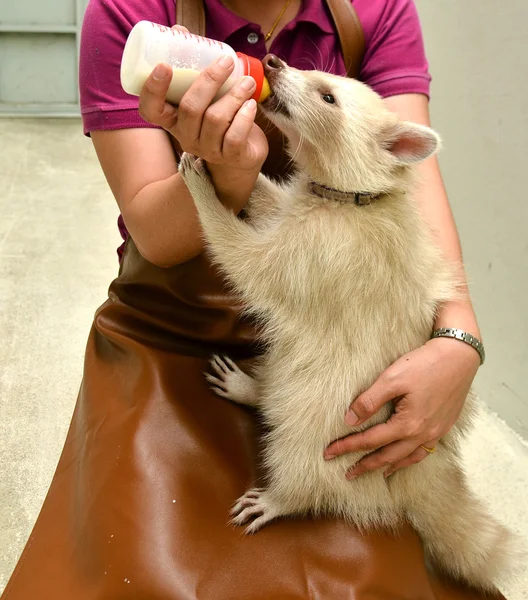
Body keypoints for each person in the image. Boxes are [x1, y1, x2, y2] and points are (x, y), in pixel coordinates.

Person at [2, 1, 502, 599]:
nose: (278, 68)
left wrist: (458, 339)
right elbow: (159, 239)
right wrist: (222, 175)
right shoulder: (125, 13)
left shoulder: (378, 10)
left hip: (318, 350)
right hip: (170, 321)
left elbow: (412, 198)